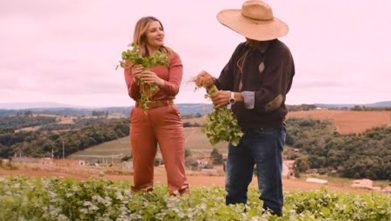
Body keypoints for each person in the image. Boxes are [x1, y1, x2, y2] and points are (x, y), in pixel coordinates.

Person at [196, 0, 294, 216]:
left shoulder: (280, 54)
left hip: (267, 131)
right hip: (239, 131)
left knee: (270, 193)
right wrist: (210, 81)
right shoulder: (242, 49)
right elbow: (225, 82)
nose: (246, 35)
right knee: (234, 191)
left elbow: (273, 98)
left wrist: (234, 96)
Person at [123, 16, 189, 196]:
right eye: (153, 30)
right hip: (140, 115)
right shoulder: (132, 60)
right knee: (141, 167)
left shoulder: (172, 57)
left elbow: (174, 89)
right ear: (143, 35)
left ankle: (180, 202)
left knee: (175, 168)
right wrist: (136, 79)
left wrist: (158, 81)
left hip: (167, 113)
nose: (160, 33)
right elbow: (133, 94)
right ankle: (142, 203)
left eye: (160, 28)